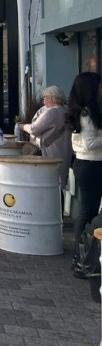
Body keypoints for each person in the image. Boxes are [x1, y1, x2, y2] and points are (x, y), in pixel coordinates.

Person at [67, 72, 102, 274]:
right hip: (90, 165)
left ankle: (83, 255)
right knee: (87, 210)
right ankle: (81, 257)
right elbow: (90, 144)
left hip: (89, 164)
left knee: (86, 211)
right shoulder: (86, 114)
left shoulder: (87, 112)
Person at [21, 86, 71, 191]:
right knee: (60, 182)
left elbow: (34, 129)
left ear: (51, 98)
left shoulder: (51, 113)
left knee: (49, 183)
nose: (43, 101)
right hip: (66, 150)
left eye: (44, 98)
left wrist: (23, 126)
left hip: (50, 151)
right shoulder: (67, 110)